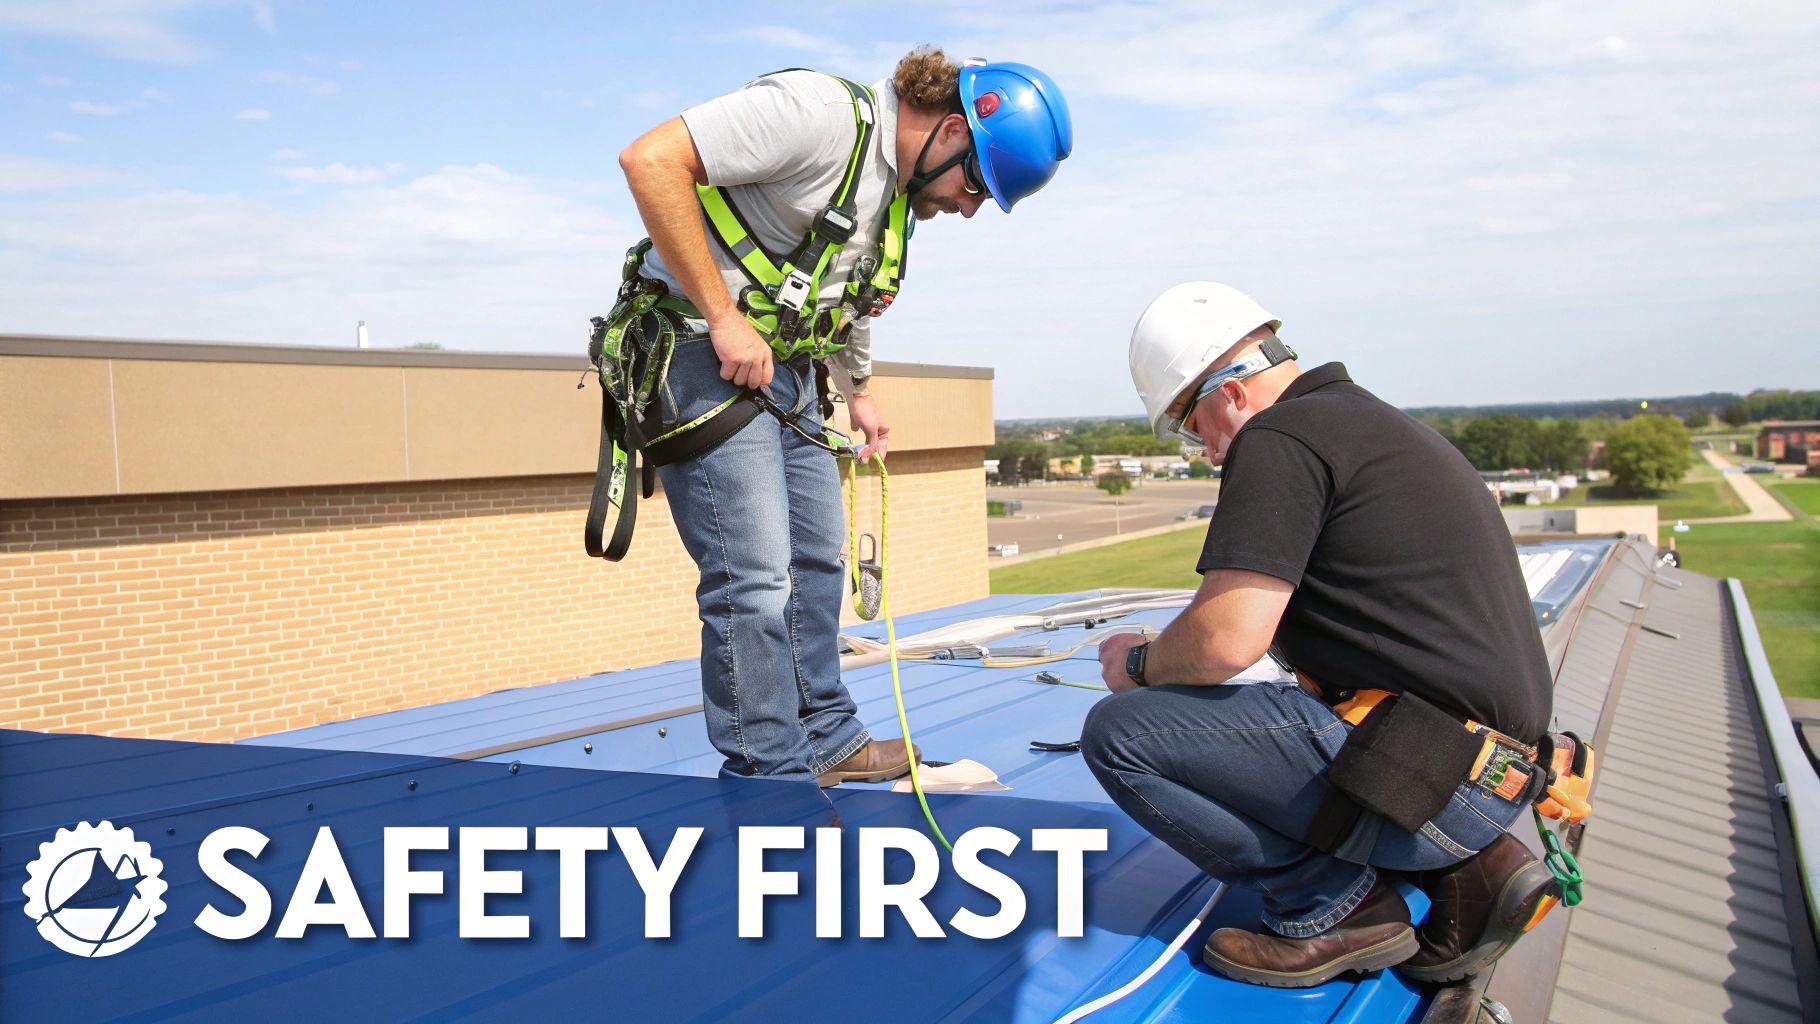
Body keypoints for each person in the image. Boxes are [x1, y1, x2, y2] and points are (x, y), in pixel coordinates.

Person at [613, 49, 1072, 786]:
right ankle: (771, 774)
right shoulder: (817, 117)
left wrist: (857, 389)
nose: (969, 206)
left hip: (787, 371)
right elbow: (651, 160)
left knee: (818, 562)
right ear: (951, 129)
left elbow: (843, 290)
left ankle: (827, 739)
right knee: (754, 580)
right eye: (976, 183)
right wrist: (724, 317)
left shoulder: (894, 192)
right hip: (703, 352)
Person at [1084, 282, 1559, 988]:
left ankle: (1334, 908)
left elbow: (1224, 641)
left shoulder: (1278, 437)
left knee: (1119, 733)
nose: (1210, 453)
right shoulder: (1371, 423)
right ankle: (1476, 867)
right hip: (1492, 777)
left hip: (1440, 788)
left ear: (1229, 394)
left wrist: (1142, 663)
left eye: (1193, 428)